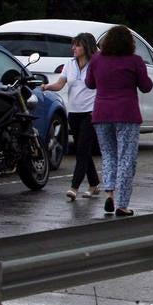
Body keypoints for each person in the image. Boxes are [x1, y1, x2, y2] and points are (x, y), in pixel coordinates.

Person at [86, 25, 153, 217]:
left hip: (101, 114)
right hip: (127, 114)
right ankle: (122, 205)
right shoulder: (135, 61)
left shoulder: (97, 60)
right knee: (126, 157)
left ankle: (110, 193)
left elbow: (90, 84)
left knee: (108, 154)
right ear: (129, 43)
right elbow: (146, 87)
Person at [43, 32, 101, 201]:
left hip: (91, 112)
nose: (73, 48)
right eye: (73, 45)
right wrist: (46, 87)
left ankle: (74, 187)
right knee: (84, 150)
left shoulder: (96, 64)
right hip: (74, 112)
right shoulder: (69, 64)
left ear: (87, 48)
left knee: (81, 150)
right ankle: (94, 184)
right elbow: (60, 83)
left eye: (78, 45)